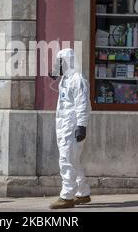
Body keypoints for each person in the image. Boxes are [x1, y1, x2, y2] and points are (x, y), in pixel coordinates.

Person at [48, 48, 91, 209]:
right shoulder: (65, 80)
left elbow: (82, 104)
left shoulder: (77, 80)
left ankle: (66, 196)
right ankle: (83, 192)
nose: (58, 65)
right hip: (65, 125)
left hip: (72, 127)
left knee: (66, 159)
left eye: (60, 62)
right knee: (74, 160)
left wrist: (81, 125)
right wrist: (55, 72)